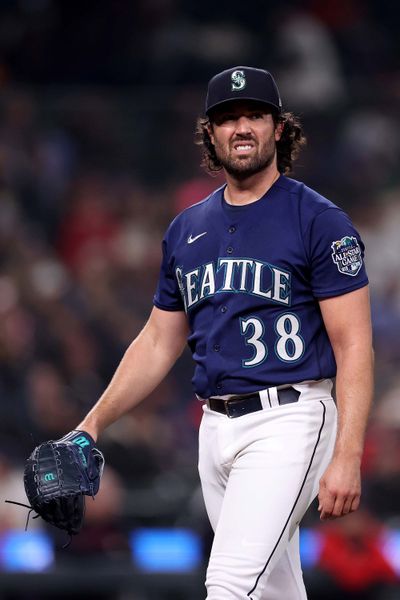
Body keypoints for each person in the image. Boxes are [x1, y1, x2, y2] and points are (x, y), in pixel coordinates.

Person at [76, 66, 374, 599]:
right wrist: (92, 425)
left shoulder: (320, 221)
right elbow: (158, 340)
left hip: (292, 418)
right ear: (209, 134)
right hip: (214, 429)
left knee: (230, 584)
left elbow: (355, 344)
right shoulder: (187, 229)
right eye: (227, 117)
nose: (241, 127)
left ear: (279, 128)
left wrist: (348, 454)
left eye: (254, 115)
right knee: (275, 590)